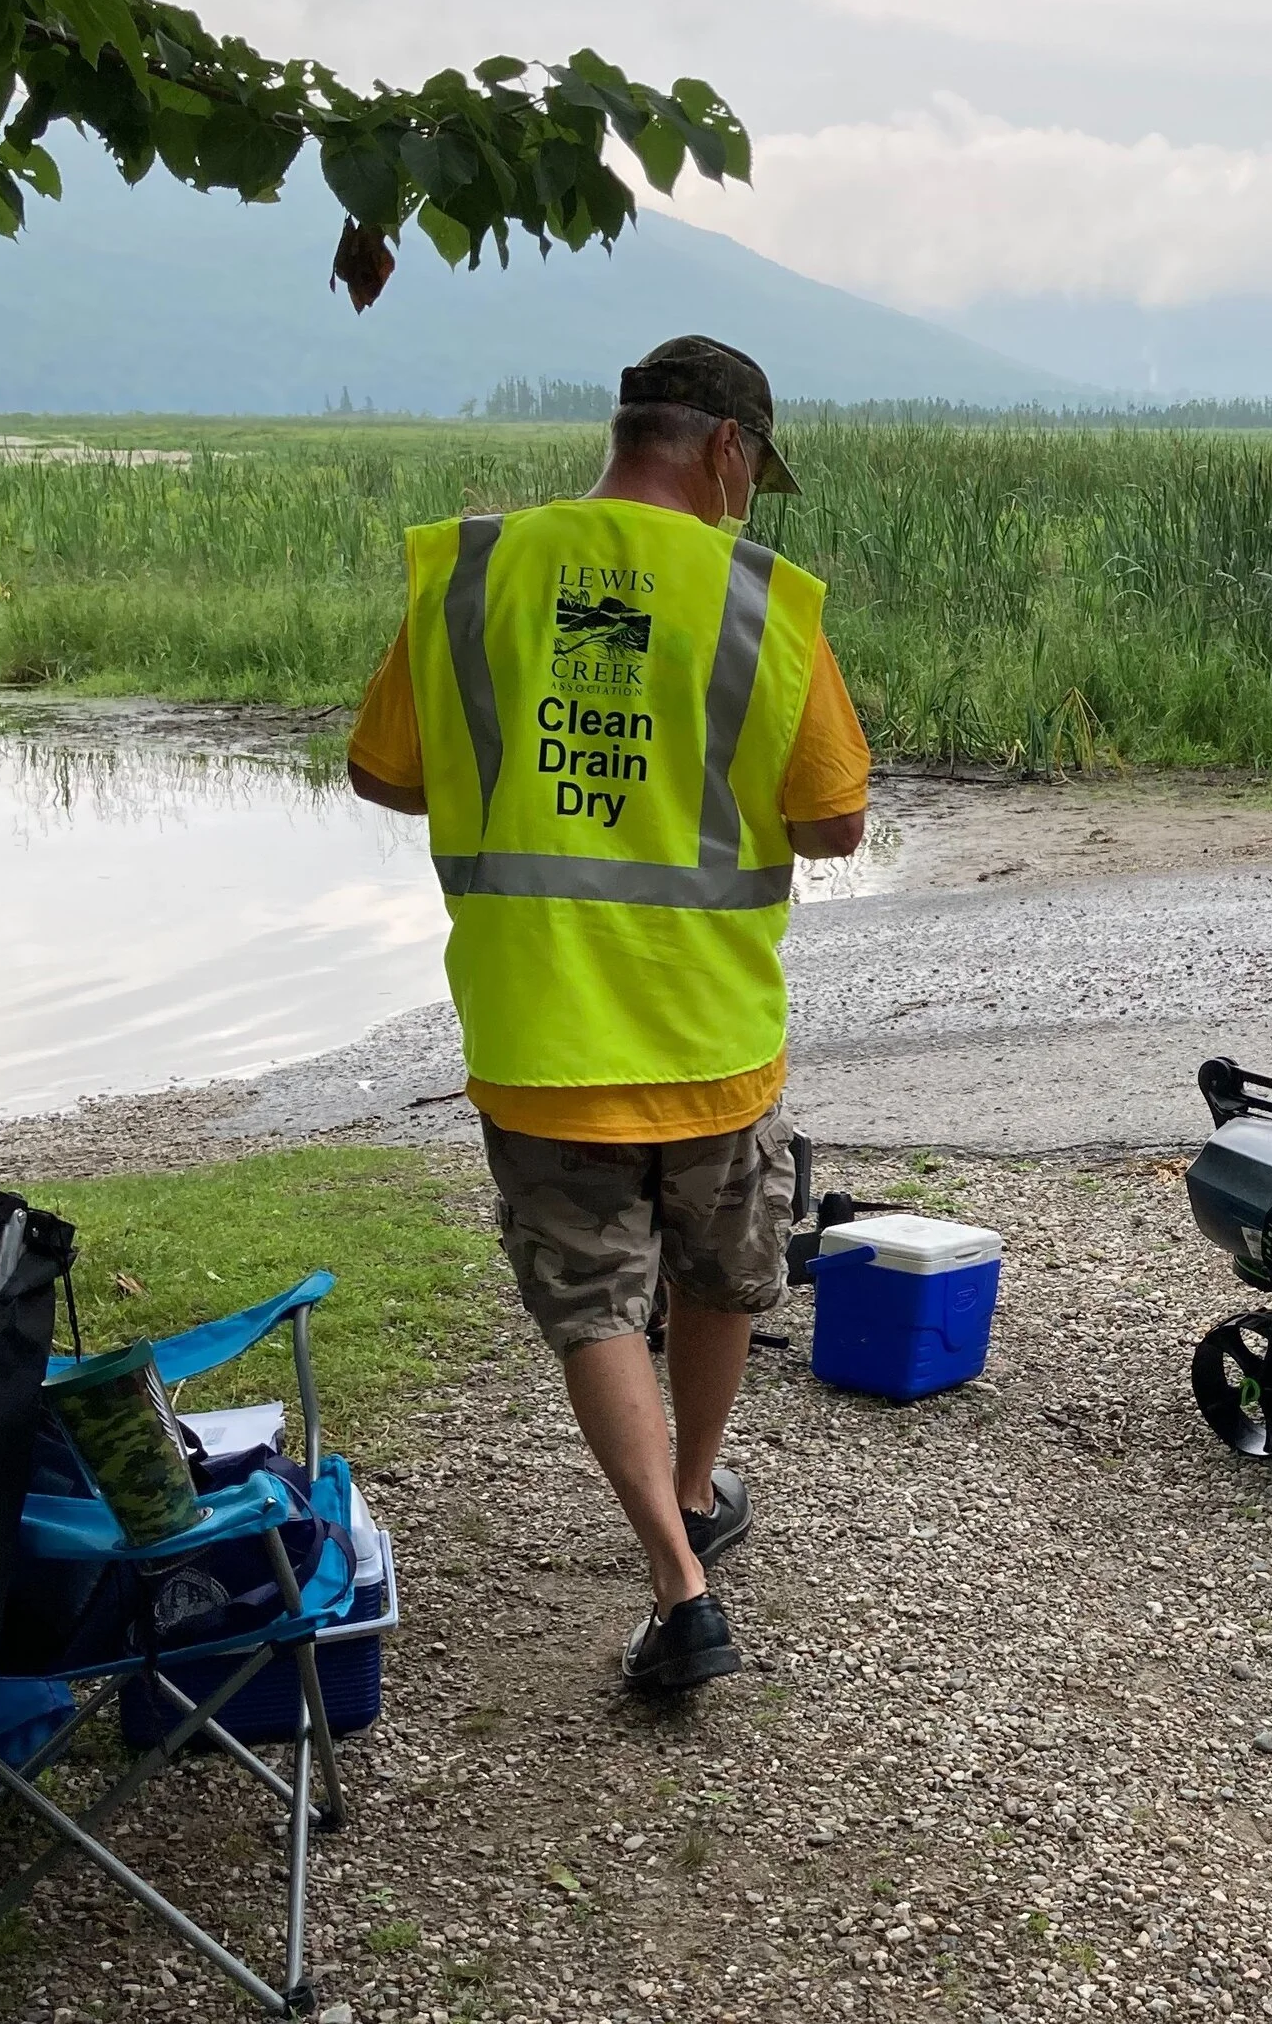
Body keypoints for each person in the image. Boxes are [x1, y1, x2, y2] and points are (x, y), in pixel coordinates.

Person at [346, 336, 868, 1692]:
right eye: (754, 475)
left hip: (542, 1034)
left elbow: (386, 773)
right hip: (711, 1034)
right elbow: (836, 819)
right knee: (715, 1271)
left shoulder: (476, 572)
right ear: (727, 452)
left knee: (590, 1301)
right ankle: (691, 1502)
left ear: (630, 429)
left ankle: (677, 1569)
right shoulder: (760, 597)